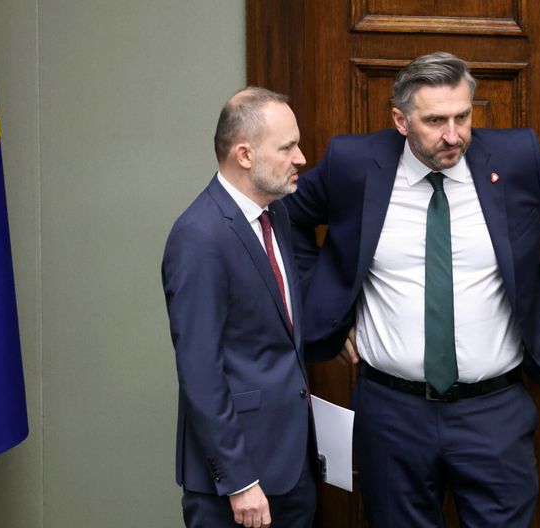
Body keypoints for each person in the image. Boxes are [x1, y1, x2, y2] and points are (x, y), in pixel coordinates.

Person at [284, 51, 540, 527]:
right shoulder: (354, 164)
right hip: (392, 413)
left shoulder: (514, 159)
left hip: (493, 411)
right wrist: (326, 307)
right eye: (435, 121)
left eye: (463, 117)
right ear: (401, 120)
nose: (453, 135)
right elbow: (287, 218)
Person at [162, 87, 316, 528]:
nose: (301, 158)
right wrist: (239, 481)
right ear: (244, 155)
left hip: (291, 467)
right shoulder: (199, 236)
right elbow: (200, 371)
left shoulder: (276, 214)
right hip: (239, 483)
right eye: (287, 148)